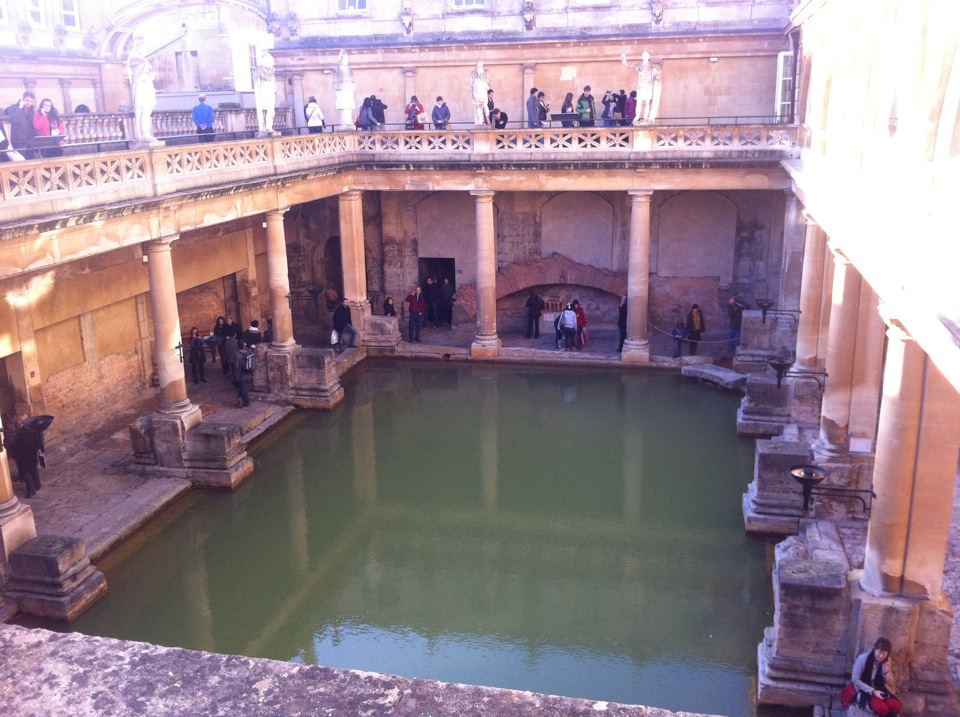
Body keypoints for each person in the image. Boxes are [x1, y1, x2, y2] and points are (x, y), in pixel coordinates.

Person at [841, 638, 902, 717]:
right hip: (864, 689)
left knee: (896, 705)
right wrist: (872, 691)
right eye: (879, 652)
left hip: (879, 687)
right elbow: (855, 680)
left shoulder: (887, 660)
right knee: (882, 709)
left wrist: (885, 673)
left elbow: (890, 682)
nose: (881, 656)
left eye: (884, 654)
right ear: (874, 649)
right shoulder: (862, 659)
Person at [12, 419, 44, 498]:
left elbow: (16, 446)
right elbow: (39, 441)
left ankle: (31, 490)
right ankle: (37, 485)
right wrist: (40, 449)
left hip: (23, 456)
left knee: (26, 473)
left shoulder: (19, 434)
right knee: (33, 469)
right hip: (32, 454)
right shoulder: (33, 431)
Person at [4, 91, 36, 157]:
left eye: (31, 101)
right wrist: (20, 108)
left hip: (30, 142)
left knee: (31, 162)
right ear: (23, 99)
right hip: (18, 142)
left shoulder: (32, 110)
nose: (29, 103)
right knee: (21, 162)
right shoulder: (13, 108)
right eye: (27, 100)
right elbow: (14, 120)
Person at [225, 334, 250, 407]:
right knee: (244, 387)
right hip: (248, 372)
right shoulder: (248, 351)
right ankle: (240, 398)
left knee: (243, 388)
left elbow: (236, 366)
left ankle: (246, 403)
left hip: (240, 374)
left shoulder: (237, 354)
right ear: (244, 345)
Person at [470, 61, 491, 126]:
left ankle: (487, 121)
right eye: (478, 63)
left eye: (480, 63)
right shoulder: (473, 72)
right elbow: (471, 84)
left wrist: (483, 79)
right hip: (477, 92)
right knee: (478, 107)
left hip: (483, 91)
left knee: (485, 106)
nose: (479, 65)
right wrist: (472, 94)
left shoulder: (486, 72)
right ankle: (480, 122)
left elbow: (489, 82)